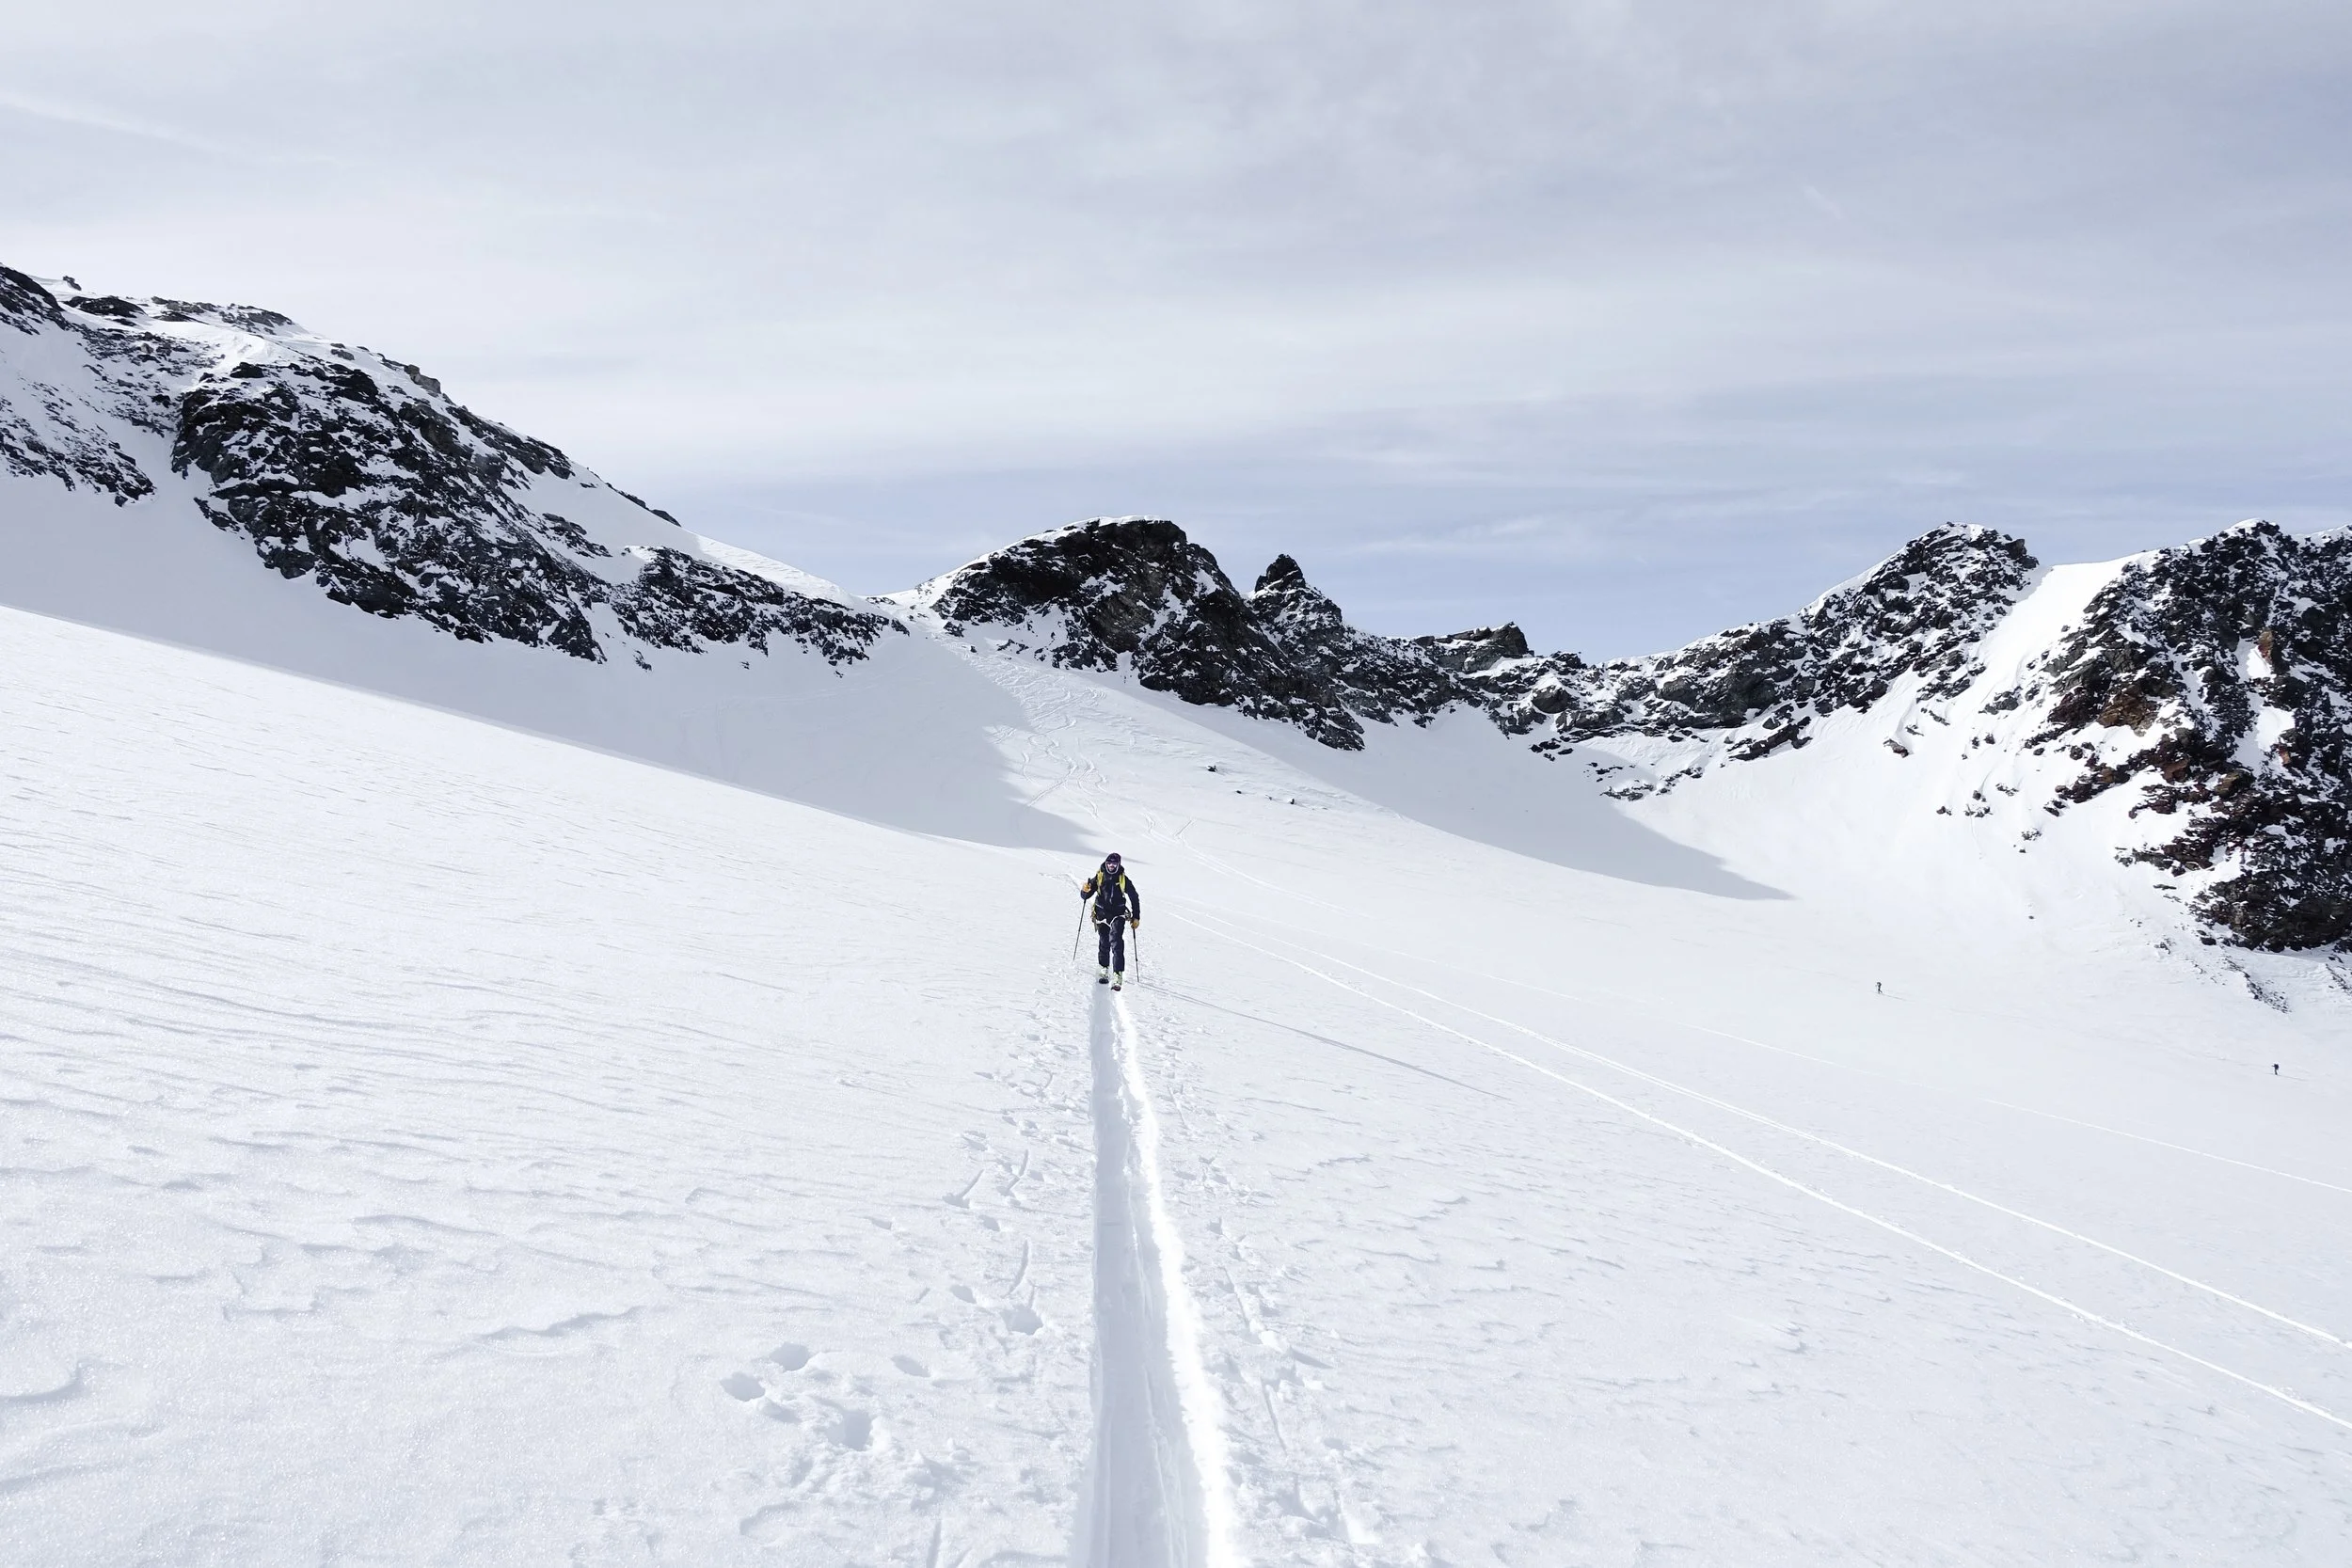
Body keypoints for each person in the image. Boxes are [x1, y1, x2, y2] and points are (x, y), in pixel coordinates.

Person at [1079, 853, 1141, 990]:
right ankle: (1104, 969)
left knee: (1117, 942)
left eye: (1114, 864)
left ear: (1118, 865)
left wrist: (1136, 916)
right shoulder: (1099, 876)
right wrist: (1084, 891)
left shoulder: (1123, 879)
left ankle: (1118, 974)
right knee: (1104, 941)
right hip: (1101, 913)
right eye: (1109, 864)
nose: (1111, 866)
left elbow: (1134, 897)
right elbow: (1086, 895)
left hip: (1118, 914)